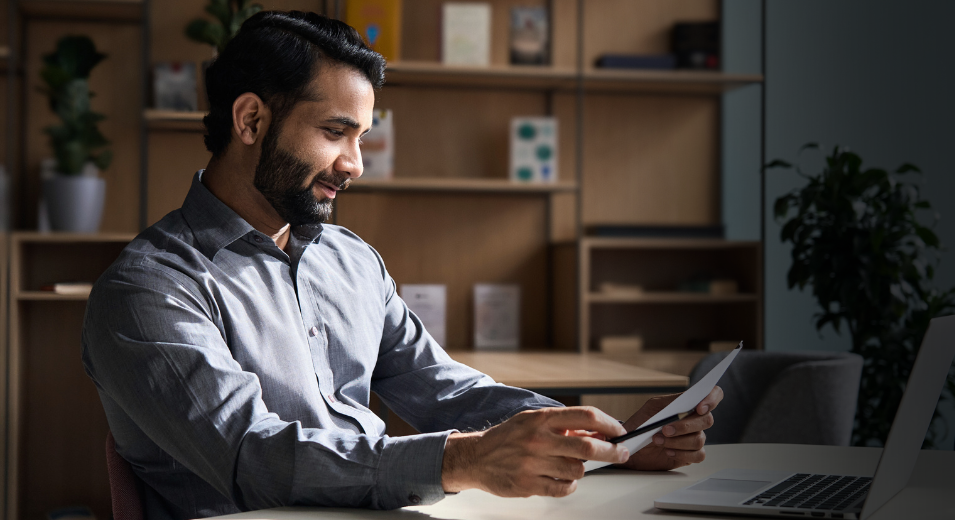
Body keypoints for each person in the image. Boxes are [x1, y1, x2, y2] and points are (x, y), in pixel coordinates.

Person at [81, 10, 723, 520]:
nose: (356, 164)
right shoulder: (147, 289)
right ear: (251, 120)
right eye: (336, 132)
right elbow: (254, 456)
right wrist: (460, 462)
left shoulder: (351, 260)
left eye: (361, 136)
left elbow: (445, 389)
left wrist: (597, 439)